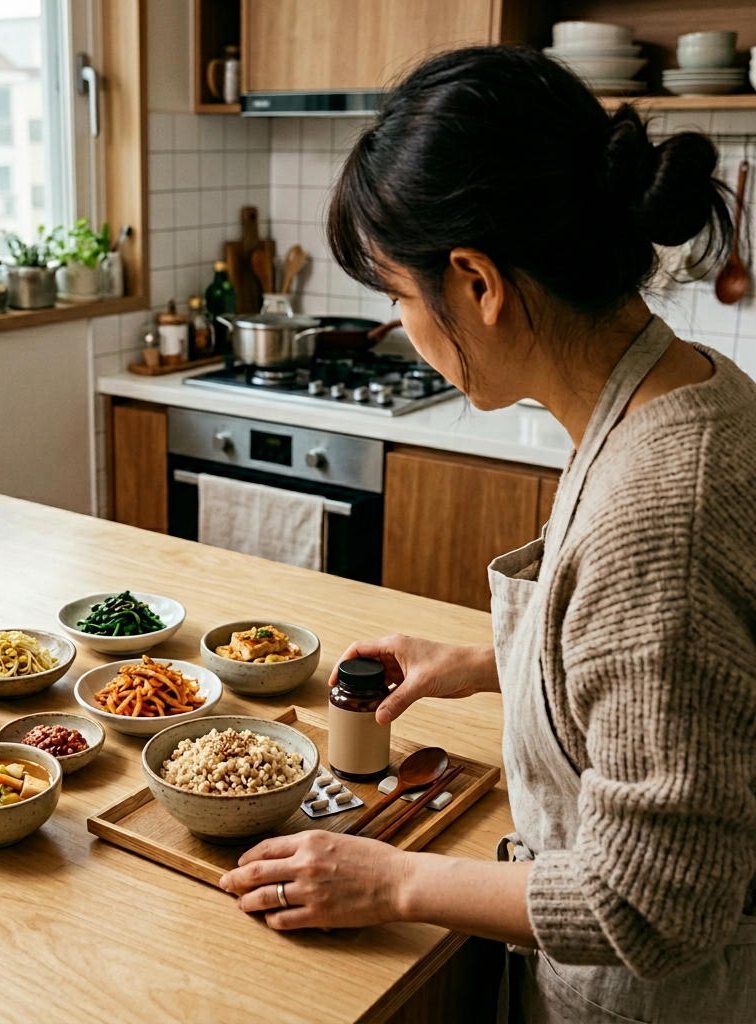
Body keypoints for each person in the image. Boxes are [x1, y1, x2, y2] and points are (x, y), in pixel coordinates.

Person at [218, 46, 756, 1023]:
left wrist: (393, 882)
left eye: (397, 293)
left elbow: (653, 895)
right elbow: (689, 684)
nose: (400, 323)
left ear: (474, 281)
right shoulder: (679, 384)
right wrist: (485, 658)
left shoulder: (653, 509)